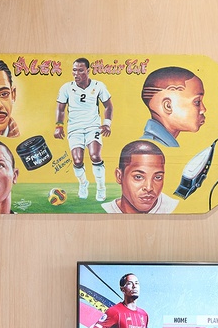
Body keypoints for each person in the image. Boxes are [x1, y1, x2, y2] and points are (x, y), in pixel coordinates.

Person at [53, 58, 113, 201]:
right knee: (78, 159)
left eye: (80, 70)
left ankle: (100, 187)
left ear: (88, 71)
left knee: (95, 156)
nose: (76, 73)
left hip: (93, 126)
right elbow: (60, 109)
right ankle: (83, 183)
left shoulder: (98, 86)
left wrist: (107, 123)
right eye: (74, 70)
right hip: (75, 128)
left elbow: (108, 106)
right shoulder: (66, 88)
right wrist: (58, 126)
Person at [102, 140, 178, 214]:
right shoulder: (104, 210)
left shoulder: (173, 208)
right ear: (119, 176)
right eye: (138, 177)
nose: (149, 188)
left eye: (157, 177)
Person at [139, 66, 206, 148]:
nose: (203, 109)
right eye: (197, 102)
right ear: (168, 106)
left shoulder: (162, 145)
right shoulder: (151, 149)